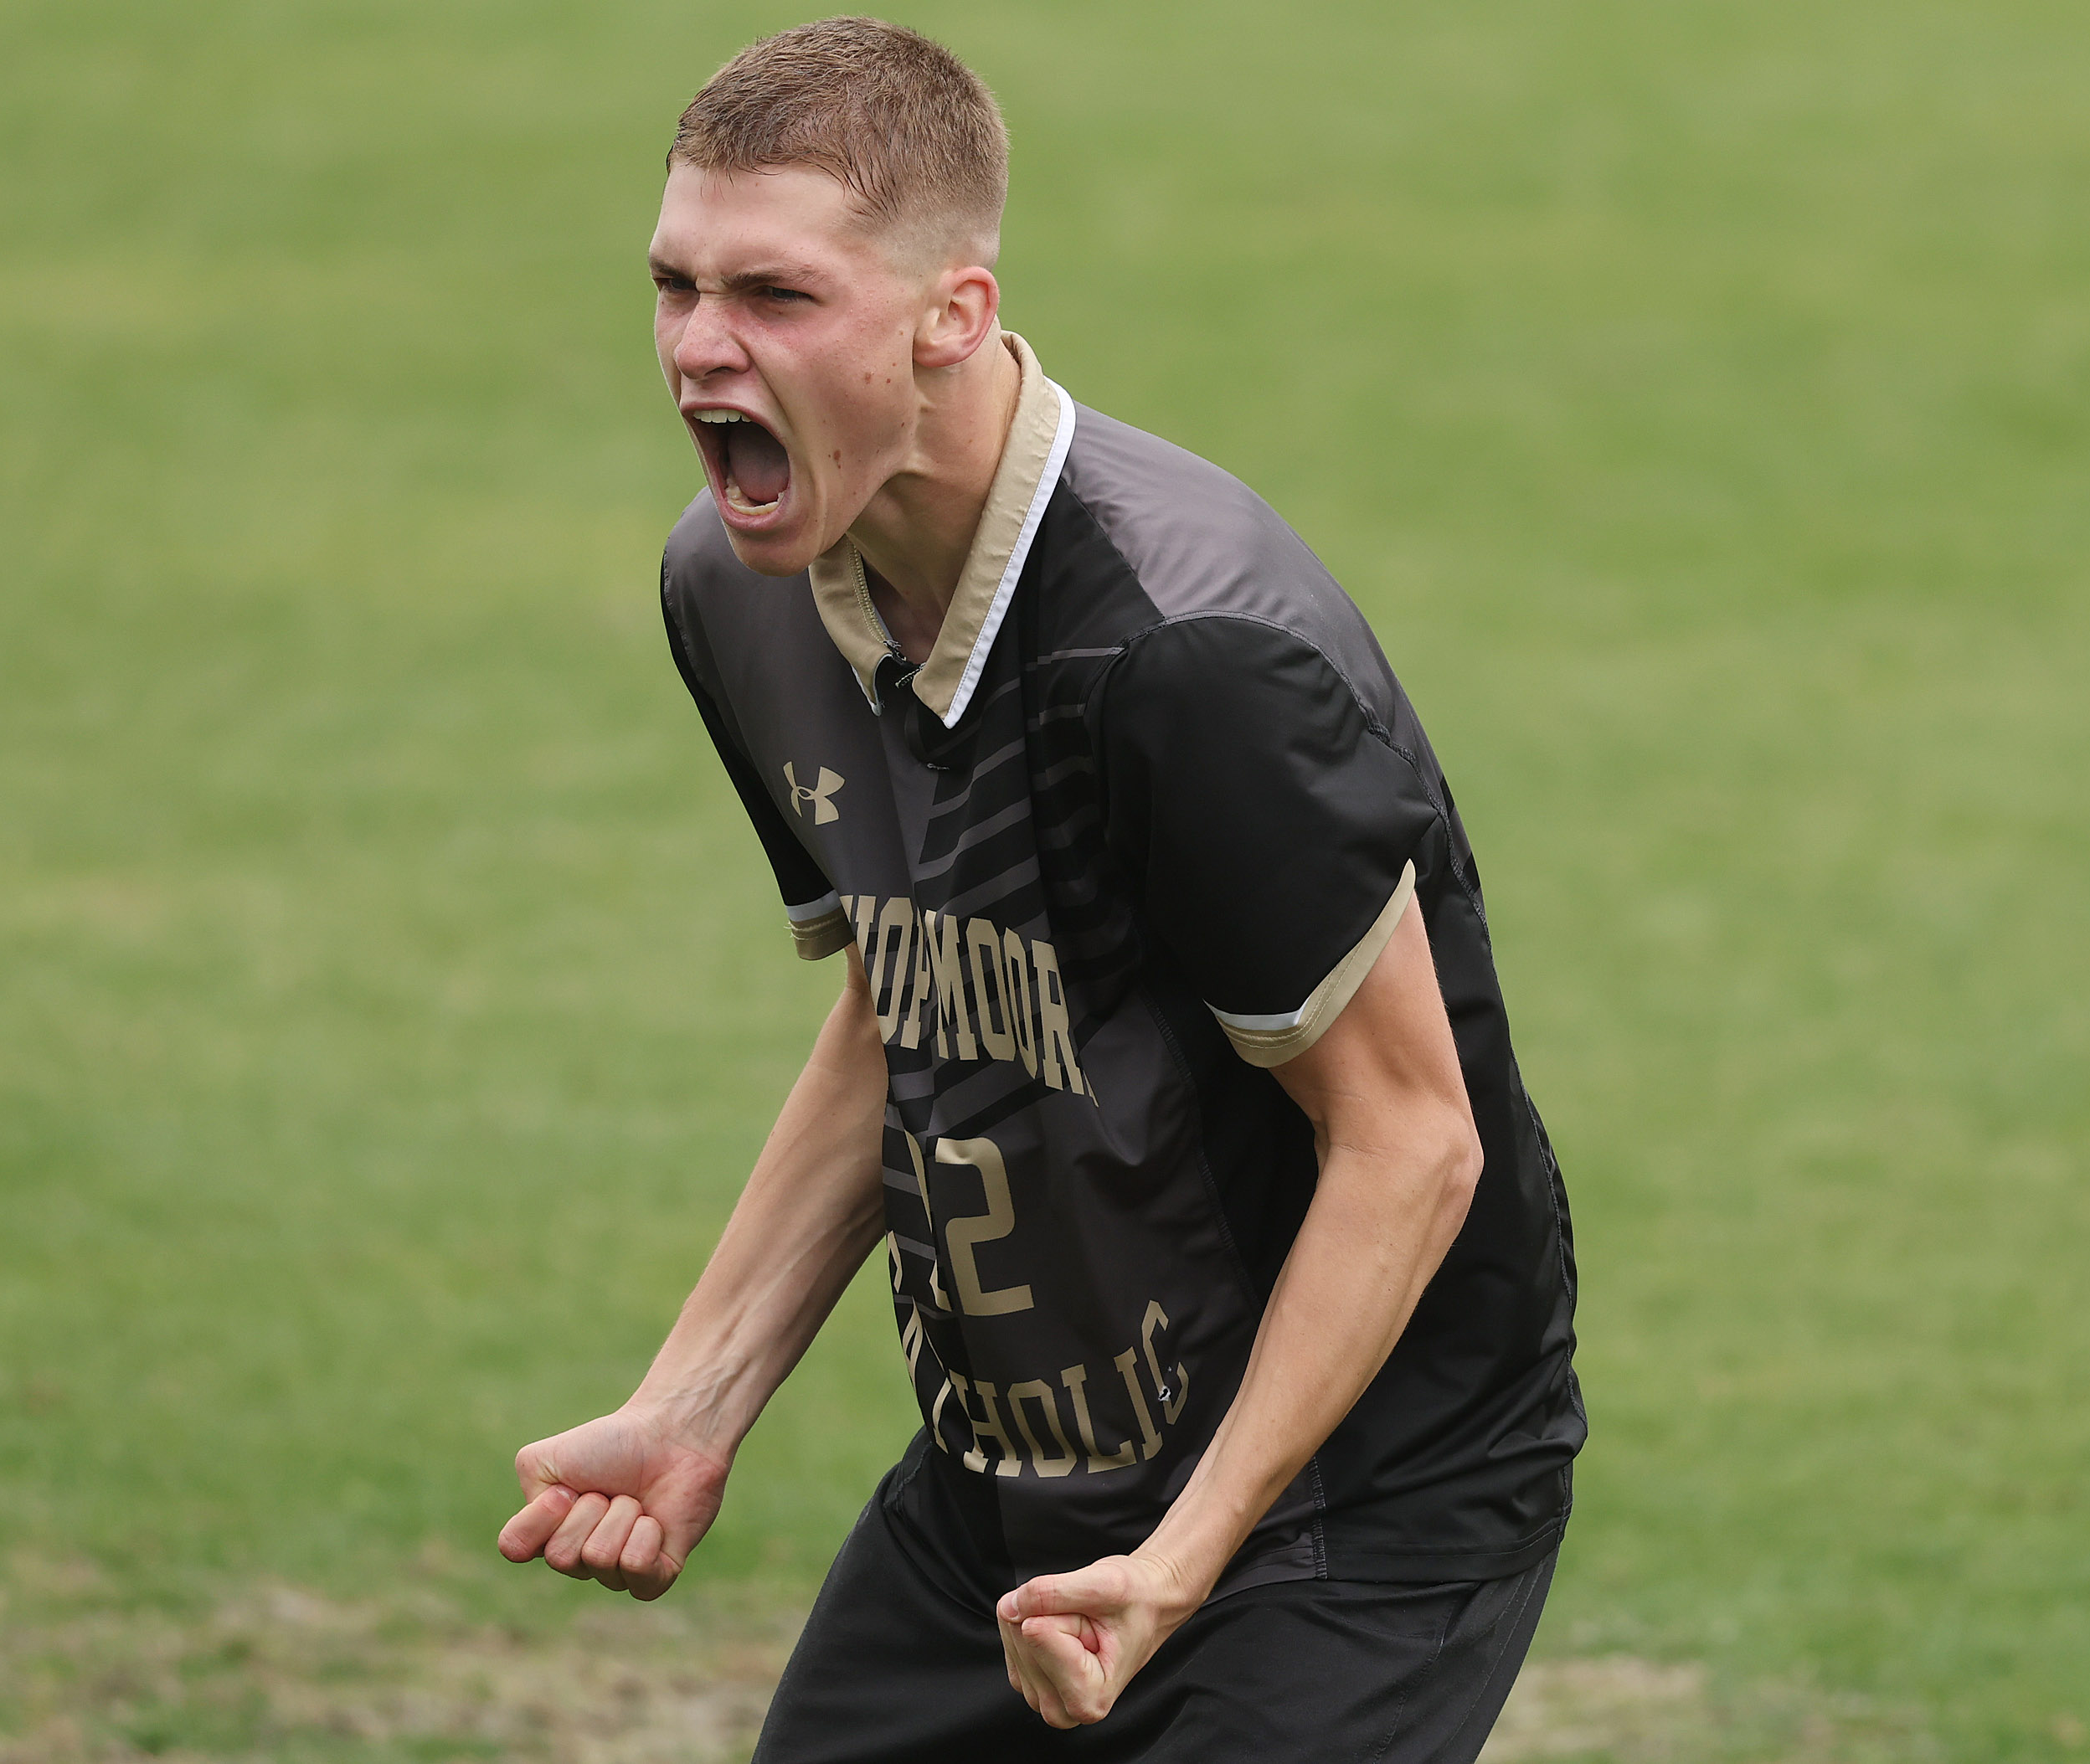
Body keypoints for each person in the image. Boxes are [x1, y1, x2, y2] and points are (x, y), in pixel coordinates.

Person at [497, 18, 1585, 1760]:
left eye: (774, 297)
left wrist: (1180, 1560)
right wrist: (694, 1402)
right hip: (1020, 1463)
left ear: (954, 316)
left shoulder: (1187, 656)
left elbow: (1410, 1140)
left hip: (1345, 1508)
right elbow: (904, 995)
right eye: (674, 285)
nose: (700, 348)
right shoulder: (742, 589)